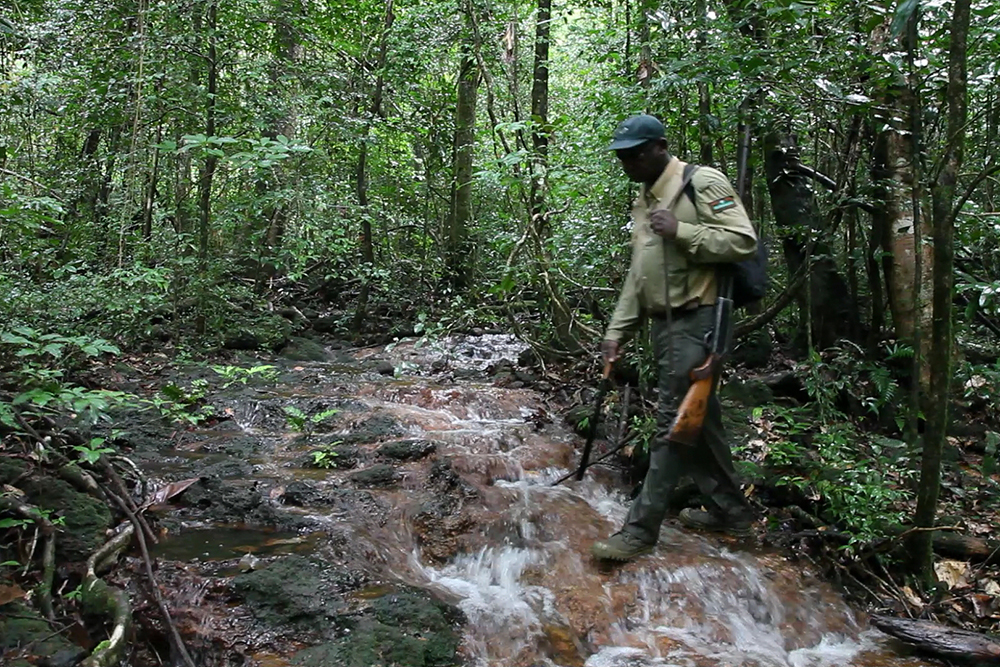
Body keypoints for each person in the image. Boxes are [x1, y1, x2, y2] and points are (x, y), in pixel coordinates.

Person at [590, 113, 758, 562]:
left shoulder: (701, 182)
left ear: (659, 147)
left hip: (697, 318)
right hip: (662, 325)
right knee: (698, 419)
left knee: (672, 422)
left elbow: (743, 241)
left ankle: (640, 530)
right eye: (622, 157)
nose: (627, 164)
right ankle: (732, 511)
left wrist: (681, 230)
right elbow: (638, 274)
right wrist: (616, 332)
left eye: (635, 155)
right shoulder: (646, 198)